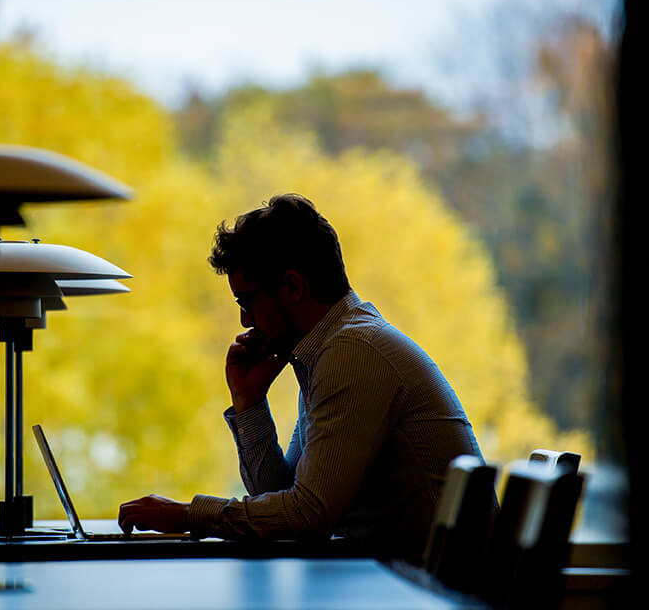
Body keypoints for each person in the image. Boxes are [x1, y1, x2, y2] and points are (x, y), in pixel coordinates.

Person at [118, 193, 488, 563]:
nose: (245, 322)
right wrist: (250, 402)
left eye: (246, 303)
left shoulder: (352, 352)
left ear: (293, 287)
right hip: (411, 585)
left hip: (445, 596)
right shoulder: (328, 350)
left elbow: (308, 515)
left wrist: (186, 515)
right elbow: (283, 498)